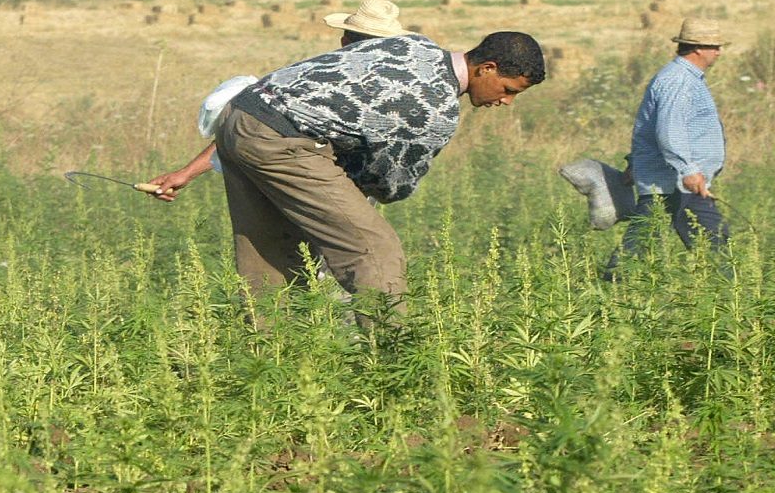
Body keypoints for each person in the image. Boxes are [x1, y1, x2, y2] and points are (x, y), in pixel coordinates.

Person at [209, 29, 544, 308]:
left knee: (269, 250)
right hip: (281, 139)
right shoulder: (437, 110)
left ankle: (272, 350)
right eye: (508, 90)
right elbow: (391, 185)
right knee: (373, 250)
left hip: (240, 114)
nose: (506, 102)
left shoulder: (416, 44)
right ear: (486, 68)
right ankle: (390, 351)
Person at [144, 0, 410, 199]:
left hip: (299, 183)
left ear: (344, 40)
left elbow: (250, 122)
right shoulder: (400, 90)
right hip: (328, 190)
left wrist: (186, 173)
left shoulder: (306, 78)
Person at [609, 17, 730, 273]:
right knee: (714, 242)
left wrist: (635, 162)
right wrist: (688, 170)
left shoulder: (684, 78)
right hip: (676, 180)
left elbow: (651, 127)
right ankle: (729, 291)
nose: (719, 51)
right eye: (714, 46)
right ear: (697, 48)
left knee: (643, 240)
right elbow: (670, 130)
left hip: (671, 179)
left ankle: (614, 282)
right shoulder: (679, 80)